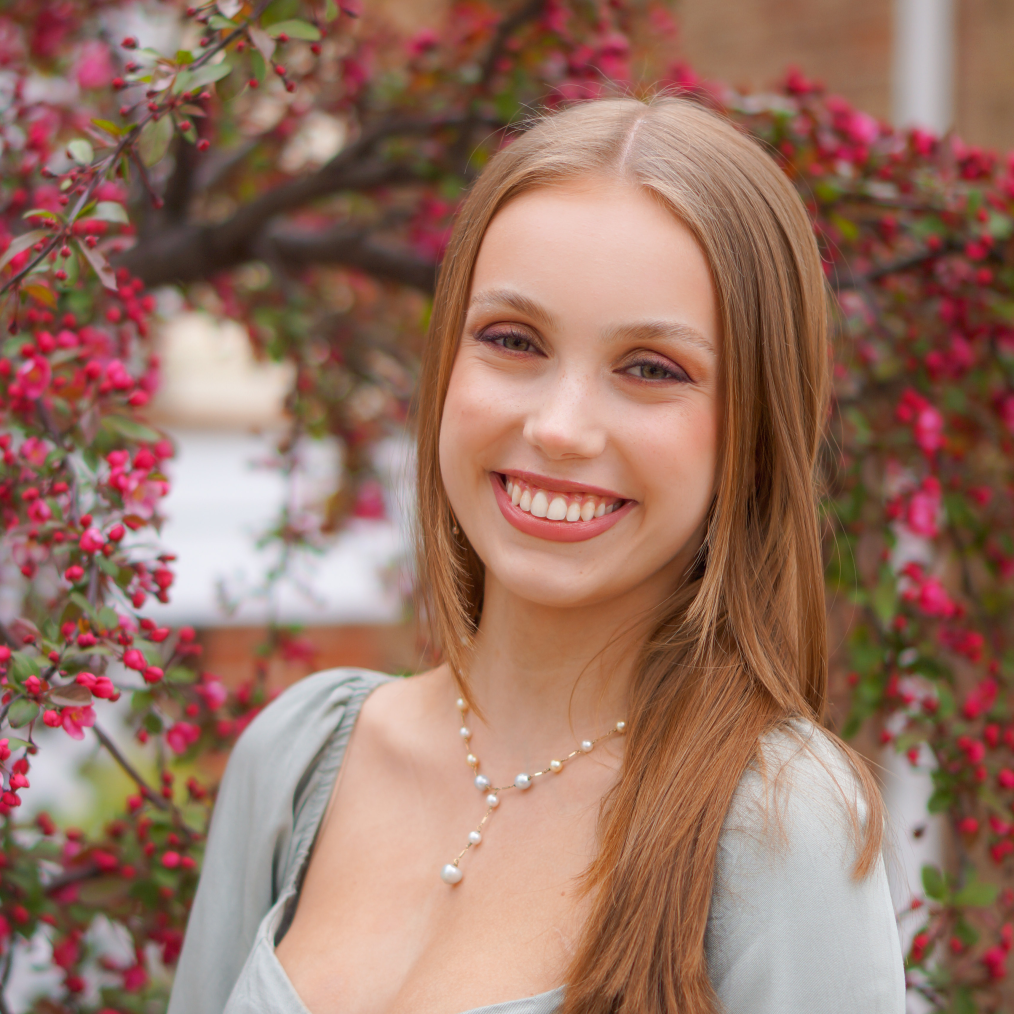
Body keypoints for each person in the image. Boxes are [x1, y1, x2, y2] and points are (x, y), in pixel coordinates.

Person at [168, 97, 906, 1014]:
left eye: (651, 368)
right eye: (513, 341)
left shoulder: (780, 825)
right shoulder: (296, 759)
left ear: (753, 429)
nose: (558, 429)